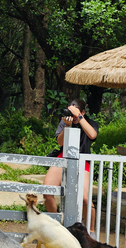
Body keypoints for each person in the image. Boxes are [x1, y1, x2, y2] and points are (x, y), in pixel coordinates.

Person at [43, 99, 99, 235]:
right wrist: (67, 126)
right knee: (47, 191)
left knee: (85, 199)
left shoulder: (89, 123)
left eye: (75, 112)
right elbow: (61, 142)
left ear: (83, 112)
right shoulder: (65, 121)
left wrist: (79, 118)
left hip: (82, 159)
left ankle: (90, 231)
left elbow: (92, 135)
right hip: (64, 155)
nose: (72, 116)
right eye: (71, 111)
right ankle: (56, 226)